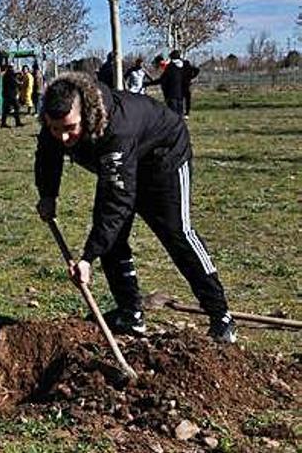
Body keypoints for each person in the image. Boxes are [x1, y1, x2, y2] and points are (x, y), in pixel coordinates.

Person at [34, 72, 236, 344]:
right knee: (113, 240)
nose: (64, 137)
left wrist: (87, 257)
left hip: (164, 157)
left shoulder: (116, 128)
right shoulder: (54, 123)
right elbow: (48, 156)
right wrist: (48, 195)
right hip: (124, 162)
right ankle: (131, 314)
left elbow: (116, 202)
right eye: (56, 129)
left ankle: (221, 316)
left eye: (71, 127)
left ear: (85, 114)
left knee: (177, 234)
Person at [145, 50, 186, 116]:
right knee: (180, 113)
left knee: (173, 114)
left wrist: (148, 84)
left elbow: (162, 80)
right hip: (181, 93)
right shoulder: (183, 66)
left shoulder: (170, 67)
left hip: (171, 93)